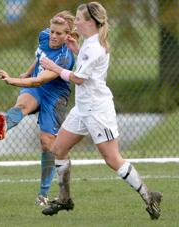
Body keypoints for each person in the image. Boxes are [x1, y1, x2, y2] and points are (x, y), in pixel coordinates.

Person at [40, 2, 162, 220]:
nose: (75, 22)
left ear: (90, 22)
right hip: (83, 108)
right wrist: (75, 49)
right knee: (58, 148)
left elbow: (78, 78)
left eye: (78, 19)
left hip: (97, 111)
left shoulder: (95, 46)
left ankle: (149, 196)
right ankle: (65, 198)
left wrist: (55, 67)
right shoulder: (89, 43)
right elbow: (86, 69)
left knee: (113, 159)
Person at [0, 11, 78, 206]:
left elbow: (40, 80)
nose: (54, 37)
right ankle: (5, 124)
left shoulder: (65, 57)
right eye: (53, 32)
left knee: (48, 143)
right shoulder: (44, 36)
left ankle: (43, 194)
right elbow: (39, 56)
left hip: (55, 96)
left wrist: (14, 80)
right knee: (22, 105)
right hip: (36, 87)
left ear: (68, 36)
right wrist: (27, 72)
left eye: (59, 34)